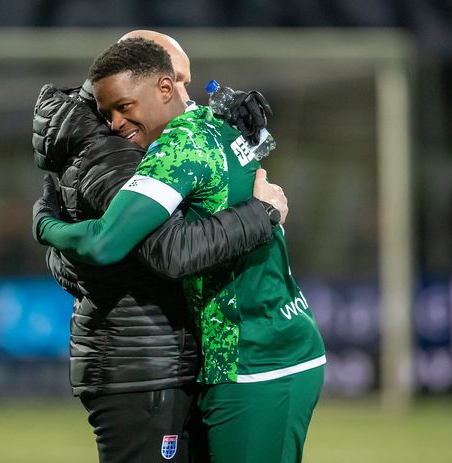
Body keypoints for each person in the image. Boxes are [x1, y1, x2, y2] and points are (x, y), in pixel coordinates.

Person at [34, 38, 326, 462]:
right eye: (110, 110)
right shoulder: (185, 137)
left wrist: (46, 225)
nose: (116, 122)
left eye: (189, 81)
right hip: (235, 350)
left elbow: (115, 241)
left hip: (258, 353)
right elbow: (144, 245)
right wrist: (265, 208)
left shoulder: (179, 143)